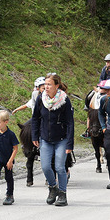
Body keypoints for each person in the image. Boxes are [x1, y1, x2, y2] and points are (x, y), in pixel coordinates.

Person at [31, 73, 73, 207]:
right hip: (45, 139)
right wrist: (34, 136)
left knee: (60, 167)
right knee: (45, 167)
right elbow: (35, 118)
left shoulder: (64, 100)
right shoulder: (40, 99)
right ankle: (52, 188)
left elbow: (70, 123)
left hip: (61, 139)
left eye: (49, 84)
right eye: (45, 84)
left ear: (57, 86)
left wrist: (69, 143)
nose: (46, 87)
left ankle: (62, 194)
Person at [12, 76, 45, 187]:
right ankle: (27, 146)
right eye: (41, 87)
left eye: (44, 86)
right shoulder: (35, 95)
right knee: (26, 127)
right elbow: (27, 105)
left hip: (46, 119)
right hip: (36, 119)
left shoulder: (50, 95)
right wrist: (17, 109)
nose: (43, 88)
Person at [0, 110, 19, 205]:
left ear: (6, 122)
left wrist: (10, 161)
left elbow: (15, 148)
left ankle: (10, 195)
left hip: (7, 160)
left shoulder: (11, 134)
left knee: (8, 177)